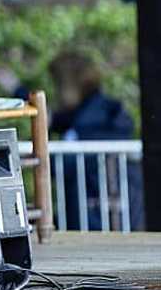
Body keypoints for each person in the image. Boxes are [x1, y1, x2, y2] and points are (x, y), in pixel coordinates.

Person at [48, 51, 141, 230]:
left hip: (98, 220)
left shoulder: (92, 120)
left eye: (58, 85)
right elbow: (60, 120)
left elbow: (56, 165)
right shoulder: (99, 112)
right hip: (110, 217)